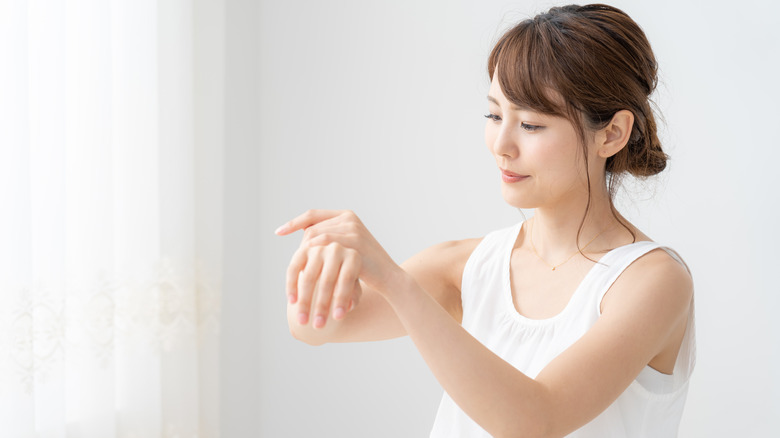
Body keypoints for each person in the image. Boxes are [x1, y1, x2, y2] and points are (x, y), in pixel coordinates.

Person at [275, 3, 695, 437]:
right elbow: (313, 328)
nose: (501, 145)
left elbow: (538, 420)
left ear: (611, 134)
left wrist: (396, 283)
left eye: (530, 125)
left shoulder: (652, 281)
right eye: (495, 116)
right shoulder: (468, 265)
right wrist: (321, 265)